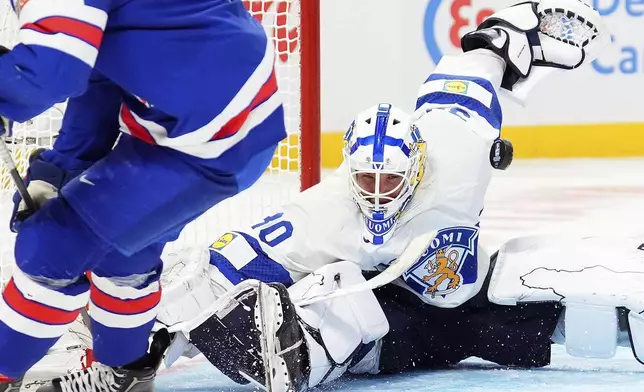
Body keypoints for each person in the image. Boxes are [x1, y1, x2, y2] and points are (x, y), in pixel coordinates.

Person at [146, 1, 624, 391]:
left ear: (416, 165)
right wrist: (161, 328)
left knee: (548, 274)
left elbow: (480, 61)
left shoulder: (454, 150)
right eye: (366, 181)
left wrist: (511, 33)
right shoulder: (330, 210)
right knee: (342, 297)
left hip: (464, 289)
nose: (376, 194)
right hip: (394, 314)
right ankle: (297, 352)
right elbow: (245, 253)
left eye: (389, 180)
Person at [0, 0, 286, 391]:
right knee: (124, 251)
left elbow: (50, 75)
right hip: (215, 114)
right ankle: (127, 373)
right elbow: (100, 75)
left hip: (208, 134)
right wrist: (60, 170)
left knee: (52, 244)